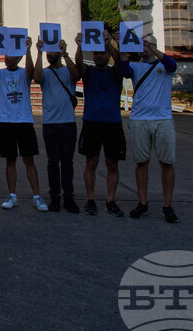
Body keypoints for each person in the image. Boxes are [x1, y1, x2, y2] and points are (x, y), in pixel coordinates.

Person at [0, 33, 47, 211]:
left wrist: (28, 49)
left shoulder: (24, 74)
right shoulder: (0, 75)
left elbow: (30, 71)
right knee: (10, 160)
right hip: (5, 122)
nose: (7, 58)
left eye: (11, 56)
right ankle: (12, 195)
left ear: (18, 57)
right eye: (5, 56)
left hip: (24, 121)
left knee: (29, 159)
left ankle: (37, 196)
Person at [119, 34, 179, 223]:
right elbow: (124, 70)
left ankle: (167, 205)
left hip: (163, 119)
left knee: (166, 163)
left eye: (147, 43)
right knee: (141, 162)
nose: (144, 46)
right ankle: (142, 202)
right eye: (142, 43)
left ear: (154, 45)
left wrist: (153, 49)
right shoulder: (137, 67)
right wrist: (122, 47)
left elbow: (172, 65)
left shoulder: (164, 65)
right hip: (140, 119)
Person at [74, 30, 127, 217]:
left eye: (101, 53)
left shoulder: (116, 72)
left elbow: (121, 62)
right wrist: (79, 46)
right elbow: (78, 64)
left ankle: (111, 200)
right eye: (95, 53)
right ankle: (90, 199)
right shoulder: (89, 72)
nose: (98, 56)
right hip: (92, 122)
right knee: (91, 162)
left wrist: (108, 45)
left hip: (112, 123)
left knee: (112, 164)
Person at [33, 36, 81, 213]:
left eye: (53, 51)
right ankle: (55, 197)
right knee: (53, 162)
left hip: (68, 122)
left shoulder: (67, 71)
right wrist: (38, 52)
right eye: (48, 51)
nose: (50, 54)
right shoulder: (45, 72)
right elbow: (36, 78)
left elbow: (77, 75)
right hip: (50, 123)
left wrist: (66, 54)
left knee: (67, 162)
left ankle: (69, 198)